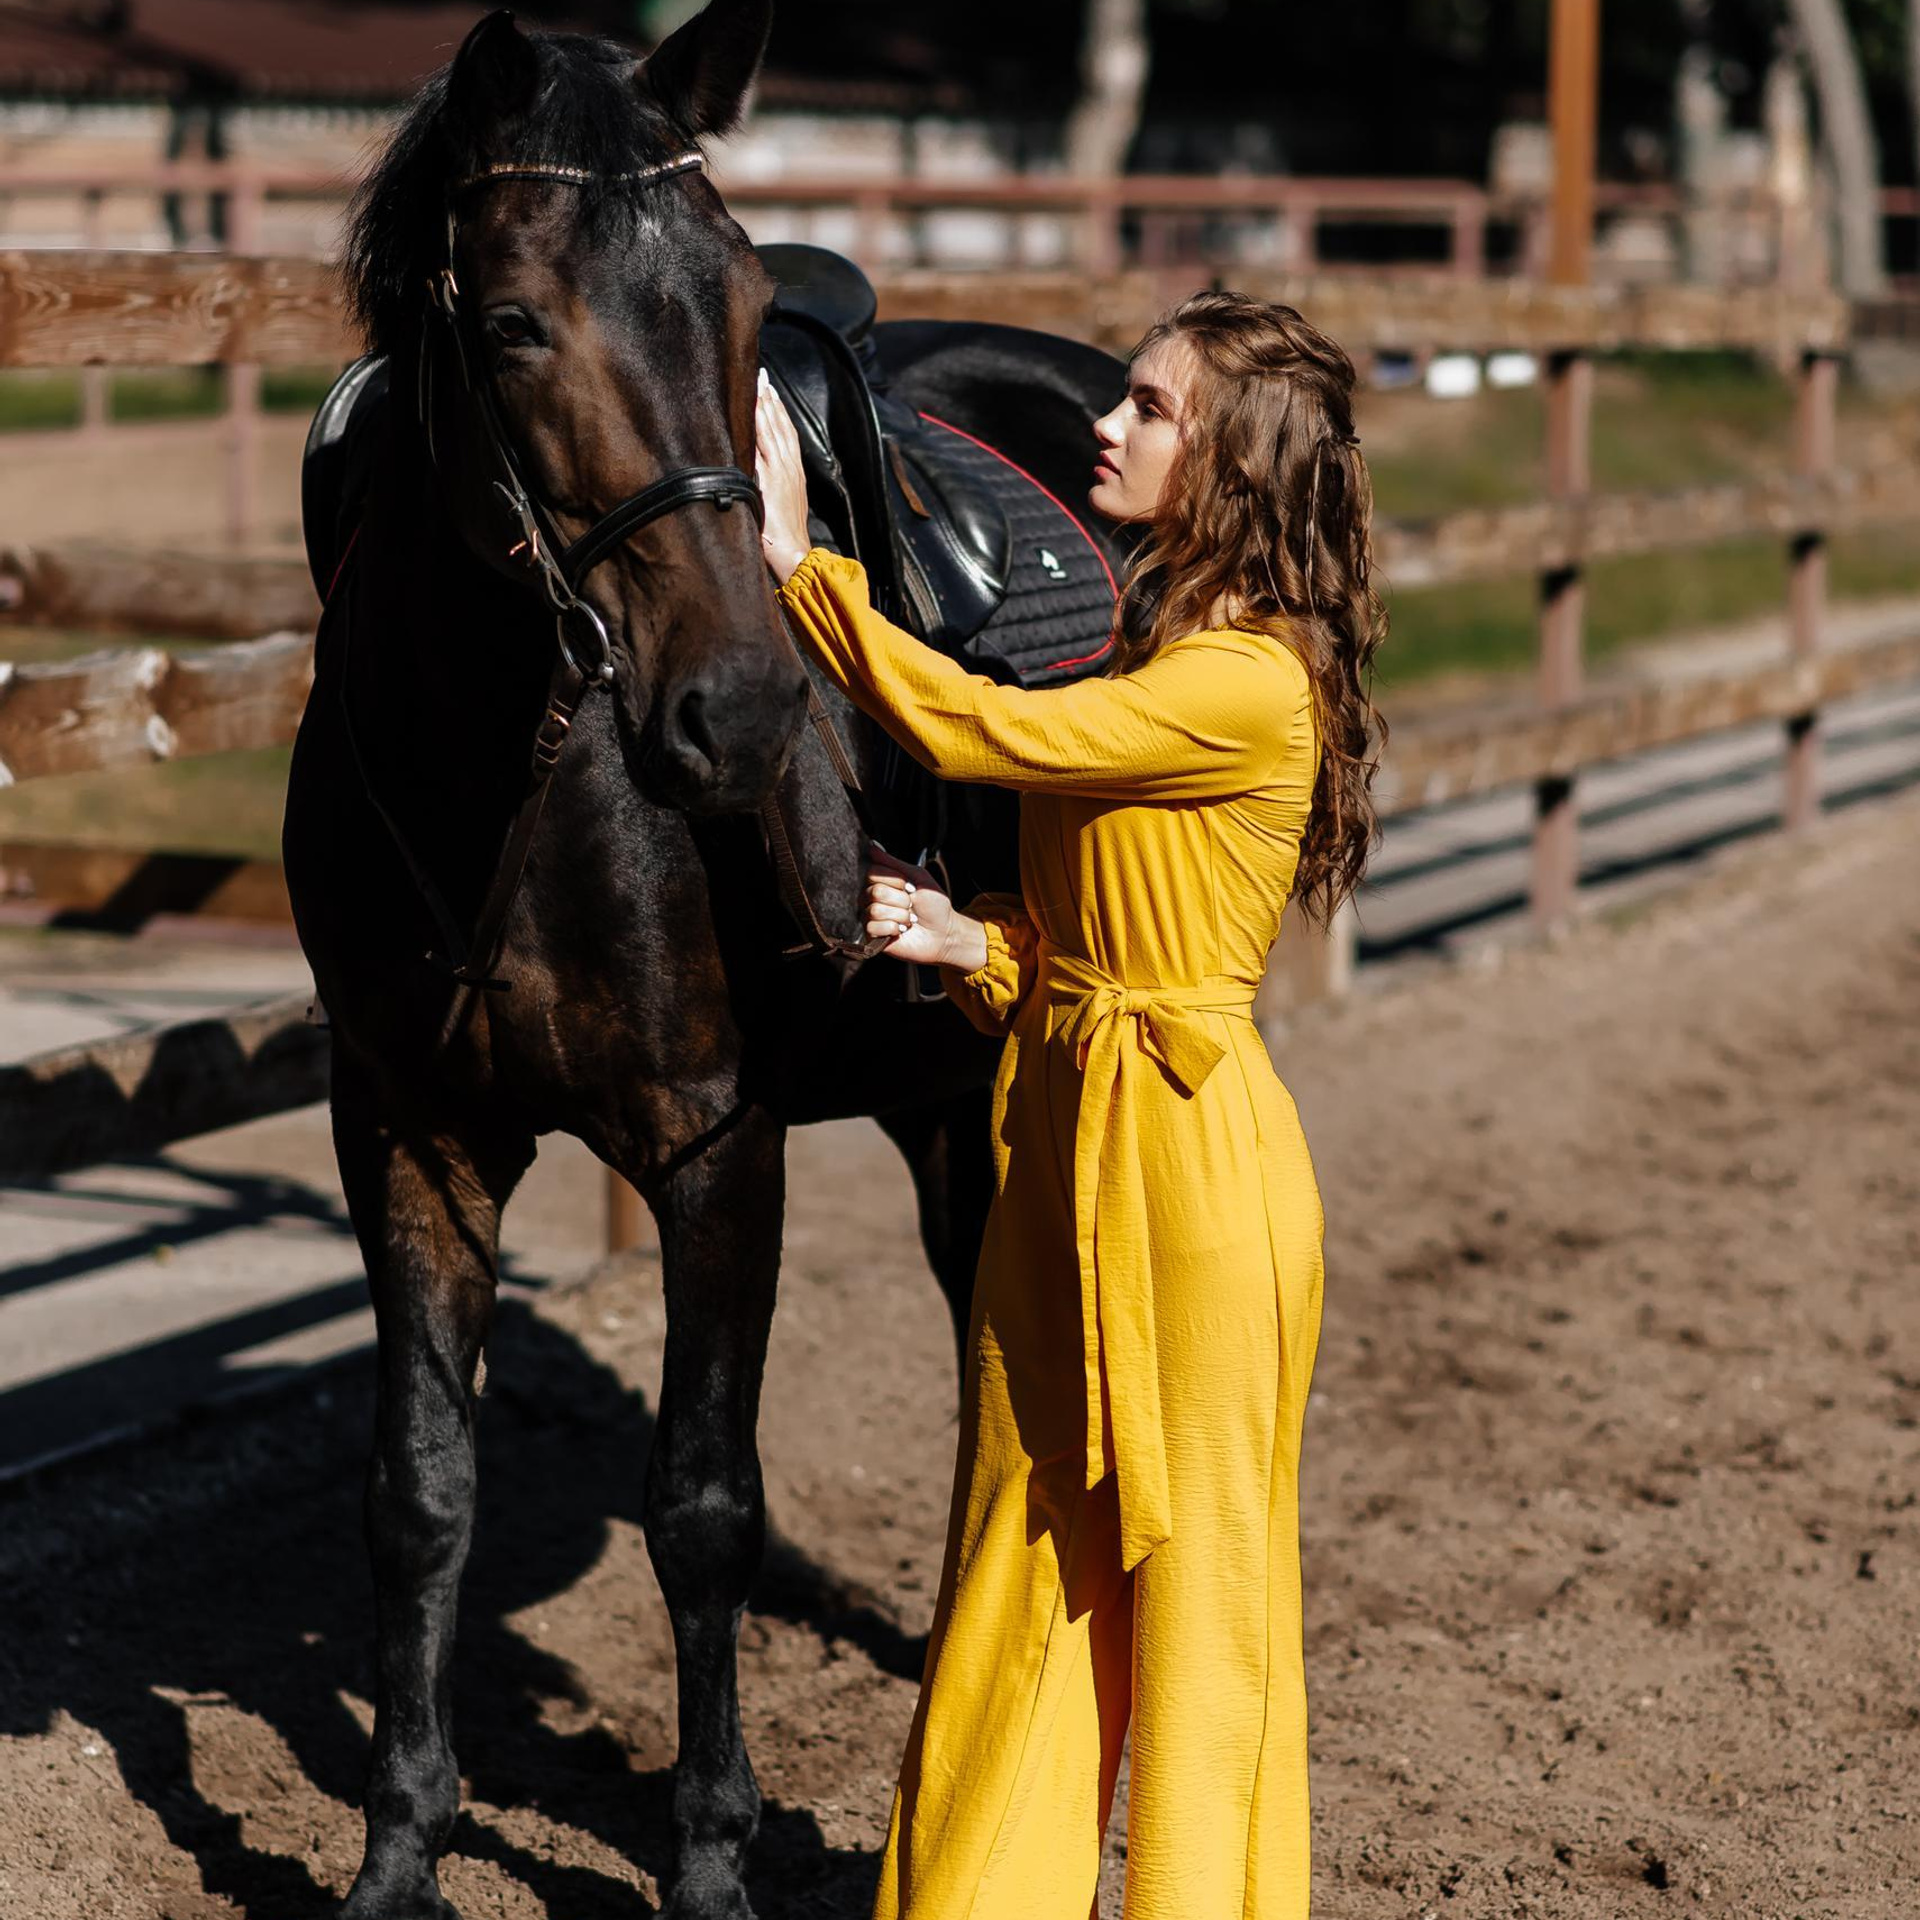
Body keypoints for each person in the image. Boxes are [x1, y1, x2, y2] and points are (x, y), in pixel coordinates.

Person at [754, 290, 1385, 1920]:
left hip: (1190, 1177)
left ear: (1233, 461)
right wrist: (973, 942)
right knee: (1018, 1574)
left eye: (1152, 410)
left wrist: (800, 573)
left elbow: (985, 730)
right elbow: (1093, 948)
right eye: (1123, 397)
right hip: (1056, 1139)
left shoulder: (1248, 683)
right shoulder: (1160, 642)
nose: (1105, 425)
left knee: (1202, 1615)